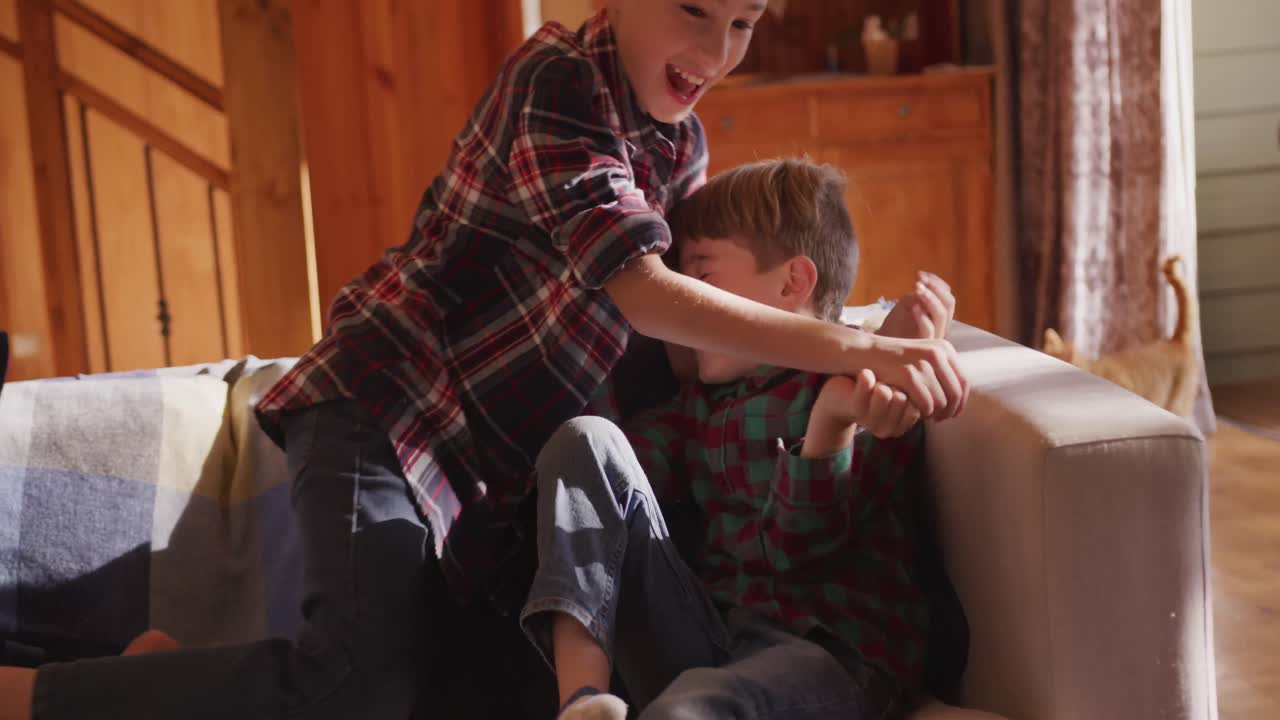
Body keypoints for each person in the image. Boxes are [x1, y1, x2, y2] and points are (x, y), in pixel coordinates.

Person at [0, 3, 965, 719]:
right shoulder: (558, 81)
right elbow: (638, 286)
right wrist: (862, 339)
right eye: (693, 11)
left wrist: (881, 325)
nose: (716, 54)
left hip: (486, 481)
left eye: (745, 22)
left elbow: (708, 331)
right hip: (390, 407)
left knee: (488, 688)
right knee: (354, 685)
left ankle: (151, 682)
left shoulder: (681, 142)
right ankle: (37, 696)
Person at [523, 158, 955, 719]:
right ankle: (581, 701)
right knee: (584, 440)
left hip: (828, 653)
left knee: (691, 708)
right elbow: (607, 495)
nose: (687, 310)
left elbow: (798, 558)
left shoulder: (861, 383)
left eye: (701, 279)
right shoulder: (697, 407)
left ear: (792, 283)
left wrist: (830, 426)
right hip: (712, 640)